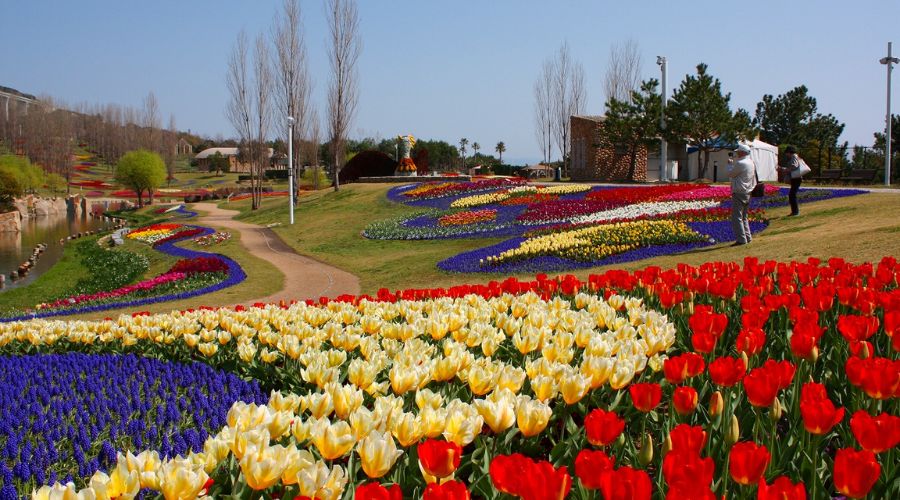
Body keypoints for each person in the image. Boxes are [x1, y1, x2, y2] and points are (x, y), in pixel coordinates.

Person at [727, 144, 756, 246]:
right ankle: (747, 237)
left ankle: (741, 239)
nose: (737, 153)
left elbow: (731, 174)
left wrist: (730, 164)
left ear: (742, 152)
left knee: (737, 217)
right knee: (744, 216)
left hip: (739, 191)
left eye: (738, 152)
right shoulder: (751, 162)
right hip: (748, 191)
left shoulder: (741, 163)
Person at [777, 146, 802, 216]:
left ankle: (795, 212)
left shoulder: (794, 156)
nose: (786, 154)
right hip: (795, 178)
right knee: (792, 195)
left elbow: (794, 166)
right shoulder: (795, 157)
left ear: (789, 152)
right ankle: (794, 211)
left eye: (787, 153)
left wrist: (784, 169)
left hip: (796, 178)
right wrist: (782, 169)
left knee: (792, 195)